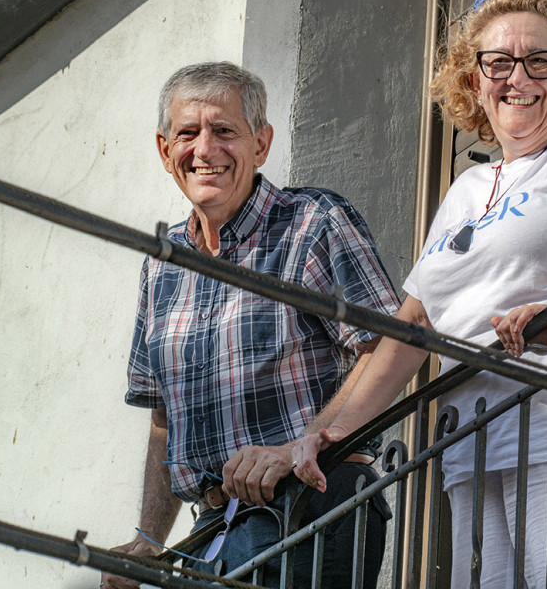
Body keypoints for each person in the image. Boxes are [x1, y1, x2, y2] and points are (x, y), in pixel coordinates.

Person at [293, 0, 547, 588]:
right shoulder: (466, 191)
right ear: (474, 81)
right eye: (499, 63)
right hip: (473, 442)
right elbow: (411, 327)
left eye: (540, 61)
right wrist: (332, 432)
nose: (518, 77)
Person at [100, 62, 398, 589]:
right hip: (211, 535)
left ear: (261, 144)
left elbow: (388, 344)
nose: (204, 149)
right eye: (187, 133)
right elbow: (164, 418)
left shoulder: (313, 222)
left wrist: (299, 446)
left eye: (224, 130)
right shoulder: (161, 265)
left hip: (310, 509)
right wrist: (149, 538)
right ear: (165, 150)